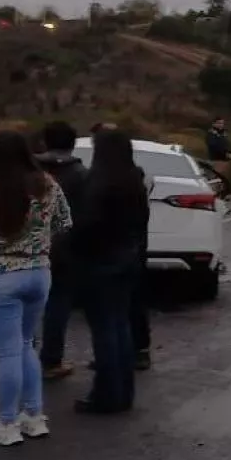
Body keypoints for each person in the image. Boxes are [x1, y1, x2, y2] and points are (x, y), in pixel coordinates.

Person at [0, 130, 71, 446]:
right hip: (39, 273)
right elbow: (64, 223)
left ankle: (6, 423)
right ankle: (34, 416)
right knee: (25, 343)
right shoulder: (47, 185)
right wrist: (39, 244)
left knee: (8, 350)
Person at [71, 129, 149, 414]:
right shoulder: (134, 181)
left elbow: (87, 226)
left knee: (104, 330)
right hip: (128, 258)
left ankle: (106, 394)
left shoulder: (98, 184)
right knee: (120, 326)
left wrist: (74, 248)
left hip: (100, 261)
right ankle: (123, 392)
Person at [34, 121, 89, 380]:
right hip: (65, 249)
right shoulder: (81, 174)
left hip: (25, 247)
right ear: (73, 144)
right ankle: (51, 359)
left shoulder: (29, 171)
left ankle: (20, 358)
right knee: (58, 302)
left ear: (44, 141)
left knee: (23, 305)